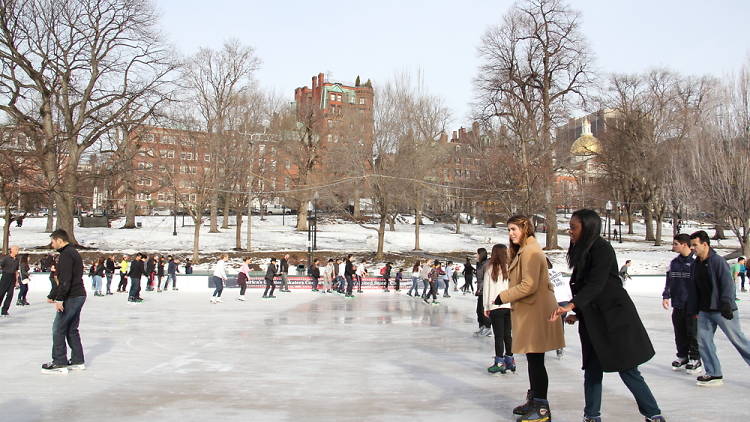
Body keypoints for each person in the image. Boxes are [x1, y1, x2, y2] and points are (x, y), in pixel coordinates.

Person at [551, 210, 664, 422]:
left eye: (574, 227)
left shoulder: (602, 248)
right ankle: (591, 416)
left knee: (627, 369)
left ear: (588, 227)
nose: (570, 231)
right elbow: (583, 286)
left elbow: (597, 284)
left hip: (614, 319)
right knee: (592, 370)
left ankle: (653, 413)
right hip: (593, 319)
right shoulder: (582, 249)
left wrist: (573, 304)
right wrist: (578, 312)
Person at [497, 215, 563, 422]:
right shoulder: (525, 250)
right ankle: (534, 399)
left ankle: (541, 408)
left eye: (514, 229)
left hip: (537, 313)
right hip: (530, 311)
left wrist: (503, 296)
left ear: (526, 228)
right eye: (509, 230)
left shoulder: (531, 252)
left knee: (536, 360)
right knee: (534, 360)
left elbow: (529, 285)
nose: (511, 234)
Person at [688, 230, 750, 387]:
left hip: (722, 309)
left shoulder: (717, 261)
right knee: (703, 341)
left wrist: (726, 303)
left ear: (705, 244)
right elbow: (695, 288)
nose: (692, 248)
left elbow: (727, 284)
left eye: (695, 245)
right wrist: (694, 309)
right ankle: (714, 373)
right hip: (704, 310)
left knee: (738, 340)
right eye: (691, 245)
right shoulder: (696, 264)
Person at [42, 229, 86, 375]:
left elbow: (65, 280)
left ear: (60, 240)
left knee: (58, 328)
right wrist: (54, 294)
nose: (52, 244)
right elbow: (64, 279)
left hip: (72, 296)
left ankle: (59, 361)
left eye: (53, 241)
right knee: (71, 329)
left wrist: (59, 298)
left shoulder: (67, 255)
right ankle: (77, 360)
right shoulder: (72, 252)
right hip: (78, 295)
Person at [662, 234, 701, 374]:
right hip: (677, 304)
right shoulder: (674, 262)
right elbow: (669, 281)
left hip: (691, 305)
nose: (673, 246)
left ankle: (695, 358)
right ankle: (682, 356)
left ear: (684, 244)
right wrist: (666, 296)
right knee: (679, 332)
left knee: (692, 333)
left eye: (675, 244)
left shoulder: (696, 262)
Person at [483, 244, 513, 374]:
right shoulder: (510, 268)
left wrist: (486, 306)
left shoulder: (490, 269)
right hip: (508, 305)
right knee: (507, 334)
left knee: (499, 336)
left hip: (495, 306)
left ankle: (500, 362)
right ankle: (510, 360)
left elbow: (486, 289)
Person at [474, 248, 492, 337]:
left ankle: (488, 328)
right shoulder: (480, 264)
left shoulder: (487, 264)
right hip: (481, 290)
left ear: (481, 254)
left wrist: (480, 288)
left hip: (485, 290)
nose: (476, 256)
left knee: (483, 309)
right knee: (479, 310)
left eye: (477, 254)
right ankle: (482, 327)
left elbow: (486, 278)